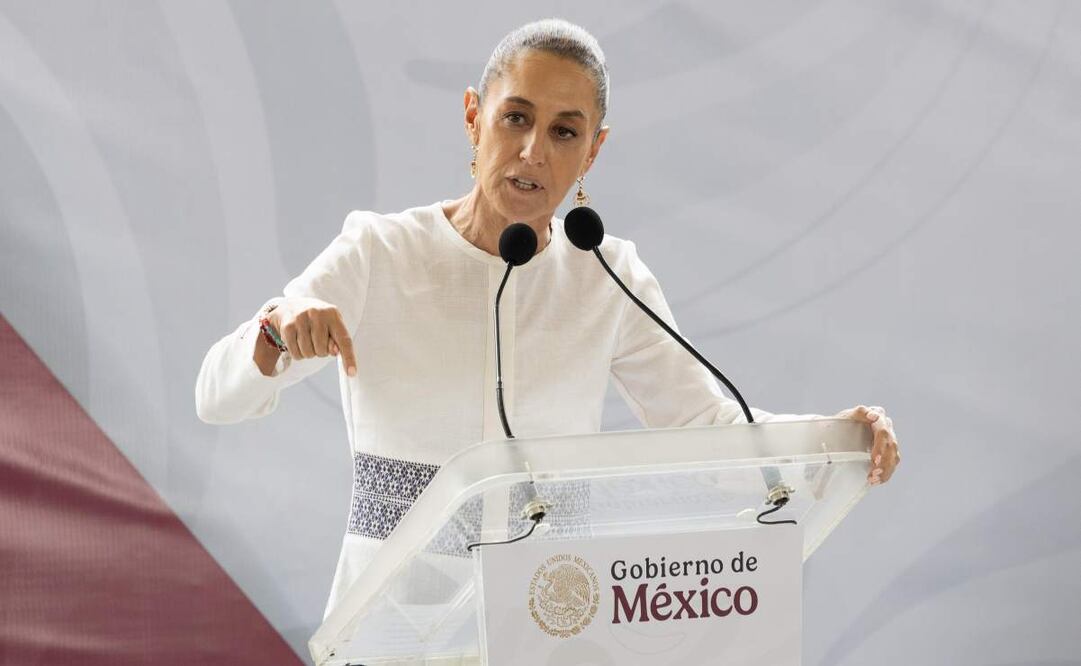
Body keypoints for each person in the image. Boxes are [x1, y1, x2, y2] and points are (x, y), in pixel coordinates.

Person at [195, 18, 900, 625]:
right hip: (389, 626)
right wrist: (275, 331)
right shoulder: (380, 252)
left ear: (592, 150)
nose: (535, 150)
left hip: (547, 621)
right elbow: (217, 398)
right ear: (474, 116)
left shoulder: (605, 273)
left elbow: (706, 434)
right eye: (515, 117)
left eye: (565, 131)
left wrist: (834, 440)